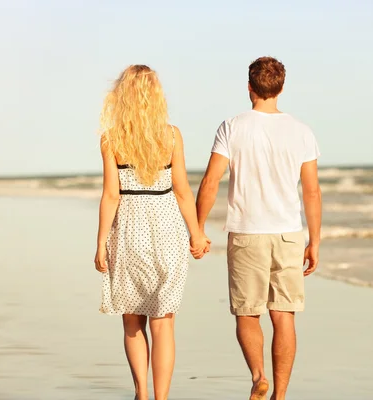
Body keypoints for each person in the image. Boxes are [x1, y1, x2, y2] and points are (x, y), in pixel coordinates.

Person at [196, 56, 322, 400]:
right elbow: (311, 190)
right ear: (281, 88)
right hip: (289, 233)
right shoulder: (301, 130)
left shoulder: (232, 126)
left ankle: (257, 377)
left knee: (247, 313)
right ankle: (280, 395)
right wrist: (315, 241)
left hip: (247, 232)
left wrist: (198, 226)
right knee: (284, 315)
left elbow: (211, 181)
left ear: (250, 87)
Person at [93, 65, 208, 400]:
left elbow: (111, 195)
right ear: (157, 95)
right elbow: (183, 190)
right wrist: (196, 234)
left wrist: (101, 243)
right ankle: (161, 398)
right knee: (164, 321)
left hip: (129, 232)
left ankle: (141, 393)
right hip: (167, 230)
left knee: (132, 321)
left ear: (122, 96)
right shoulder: (171, 135)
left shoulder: (111, 139)